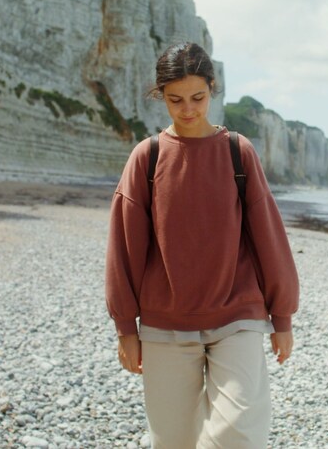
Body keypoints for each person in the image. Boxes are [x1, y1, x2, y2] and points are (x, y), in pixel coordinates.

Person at [105, 42, 300, 448]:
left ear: (213, 88)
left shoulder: (237, 152)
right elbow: (124, 250)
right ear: (161, 95)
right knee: (172, 441)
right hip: (164, 322)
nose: (188, 109)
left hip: (237, 317)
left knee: (239, 432)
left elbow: (269, 237)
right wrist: (126, 326)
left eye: (198, 97)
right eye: (175, 100)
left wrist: (282, 316)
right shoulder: (148, 157)